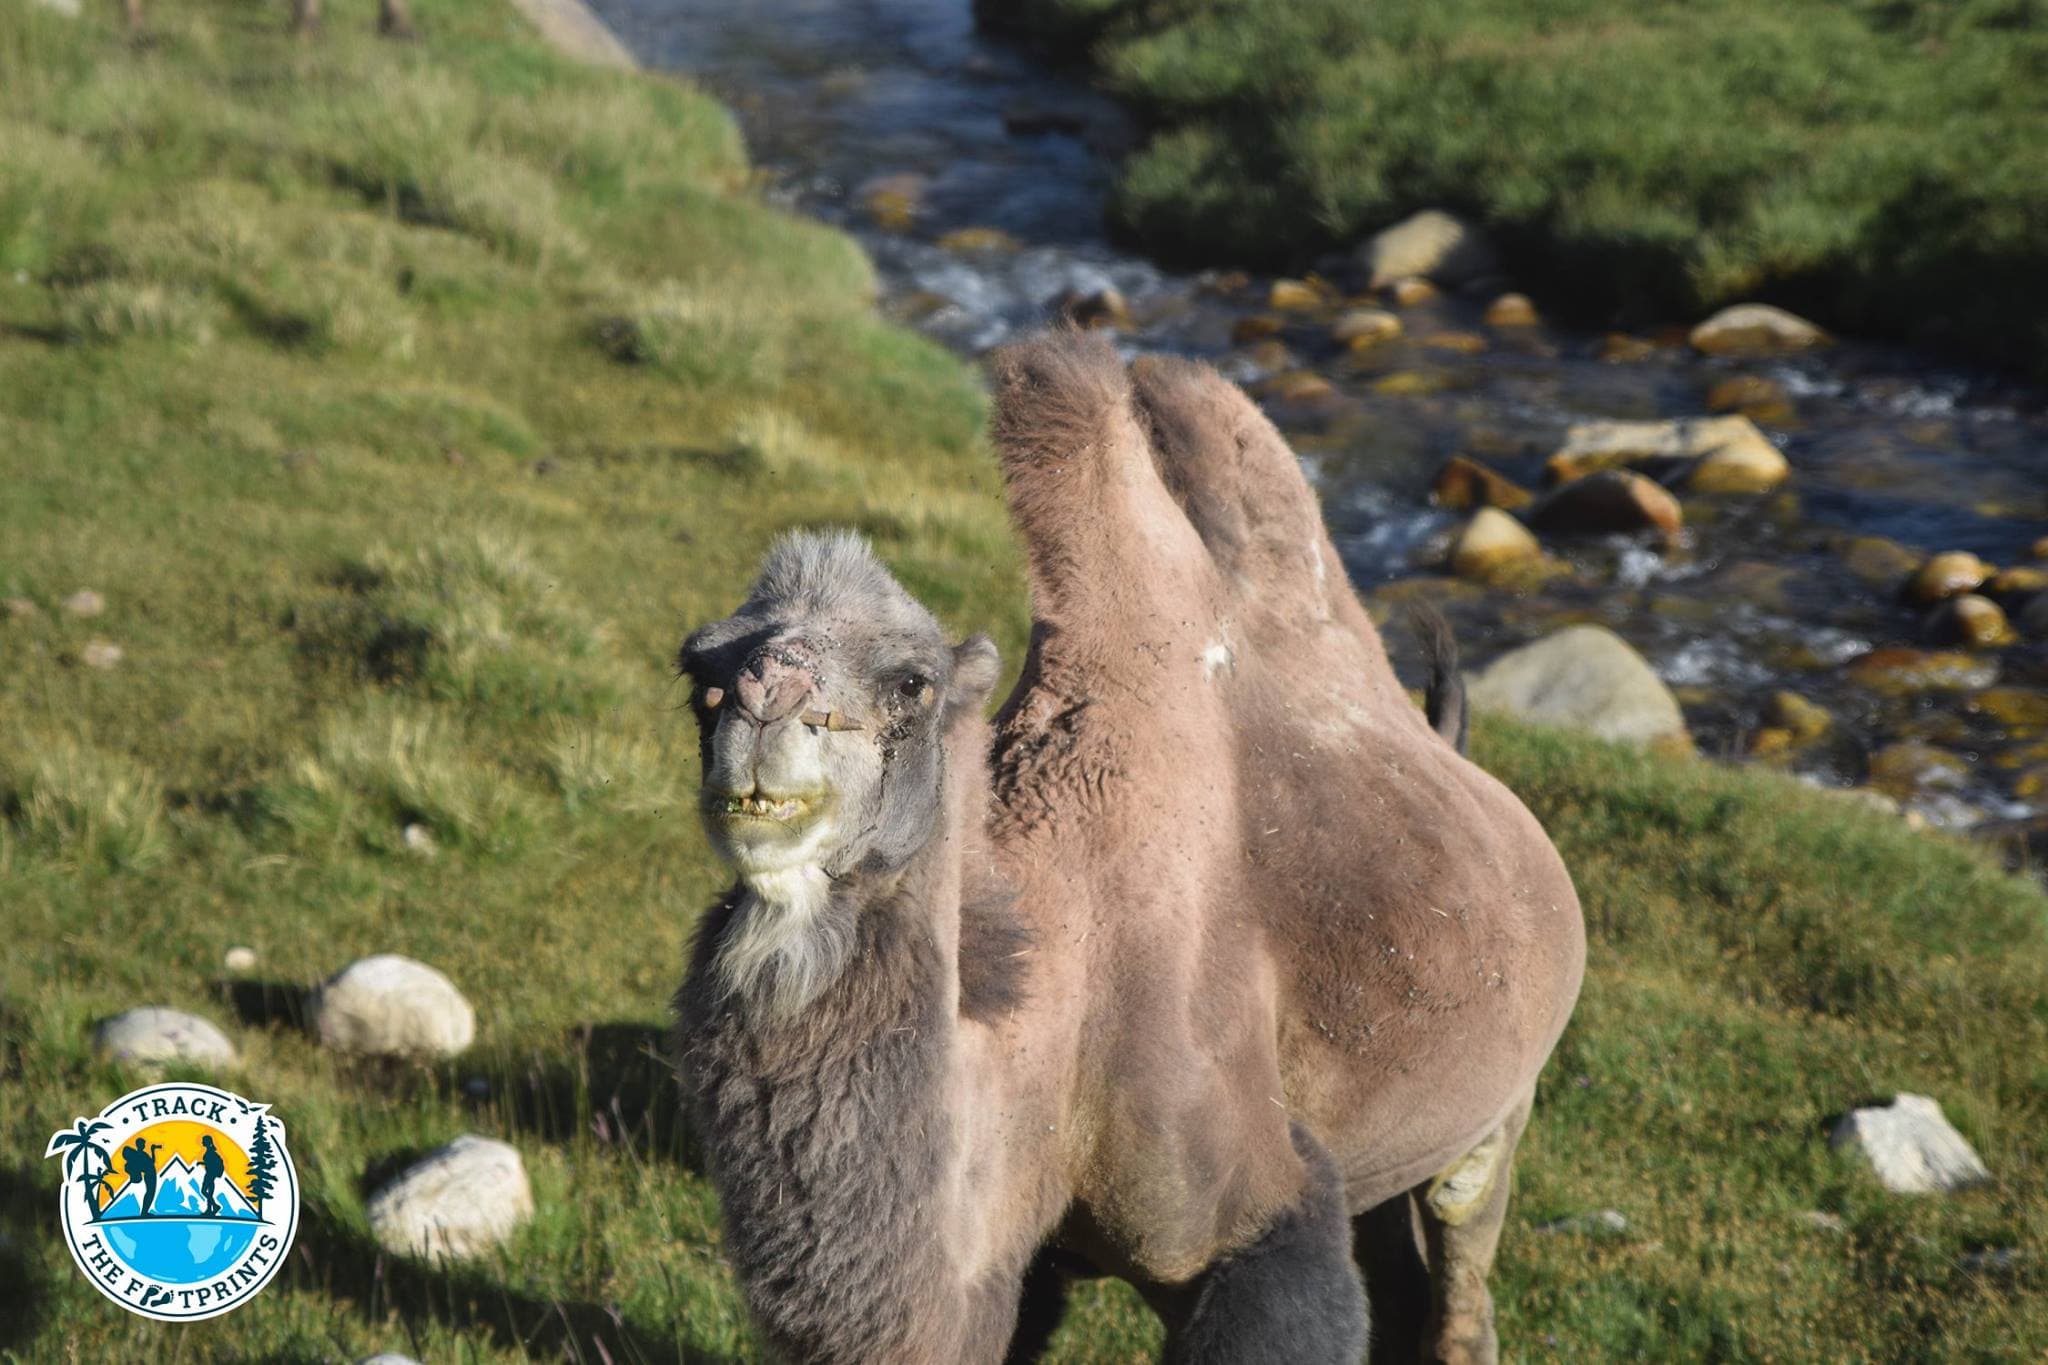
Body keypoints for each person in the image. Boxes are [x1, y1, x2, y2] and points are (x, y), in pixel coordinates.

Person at [120, 1138, 160, 1217]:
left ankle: (144, 1212)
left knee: (150, 1193)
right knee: (150, 1193)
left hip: (151, 1174)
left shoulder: (141, 1154)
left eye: (144, 1144)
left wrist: (152, 1150)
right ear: (139, 1145)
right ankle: (144, 1213)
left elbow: (151, 1162)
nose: (144, 1145)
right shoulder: (139, 1154)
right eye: (143, 1144)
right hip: (150, 1175)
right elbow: (149, 1163)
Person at [198, 1135, 226, 1217]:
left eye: (203, 1141)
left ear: (207, 1142)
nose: (202, 1142)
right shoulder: (210, 1151)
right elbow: (210, 1162)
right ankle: (210, 1209)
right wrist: (202, 1163)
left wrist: (203, 1163)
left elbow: (211, 1163)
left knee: (204, 1191)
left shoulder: (210, 1152)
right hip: (210, 1174)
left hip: (210, 1174)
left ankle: (215, 1206)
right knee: (209, 1193)